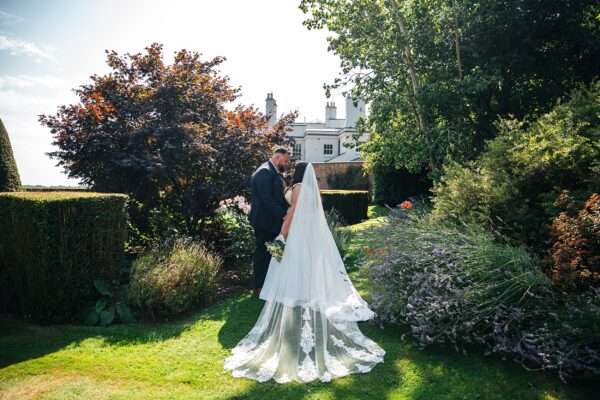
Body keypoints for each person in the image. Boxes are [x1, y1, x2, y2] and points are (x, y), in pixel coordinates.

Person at [224, 163, 385, 383]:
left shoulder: (299, 187)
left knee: (292, 266)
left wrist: (283, 232)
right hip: (306, 233)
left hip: (296, 234)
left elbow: (294, 211)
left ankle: (295, 297)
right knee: (302, 266)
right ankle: (303, 294)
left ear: (298, 173)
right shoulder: (310, 190)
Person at [248, 147, 290, 297]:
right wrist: (284, 215)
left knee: (272, 252)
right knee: (262, 254)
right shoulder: (264, 172)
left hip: (272, 221)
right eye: (285, 161)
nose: (286, 164)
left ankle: (269, 285)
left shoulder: (273, 172)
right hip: (264, 222)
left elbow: (277, 197)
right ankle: (259, 287)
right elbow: (267, 200)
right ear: (277, 158)